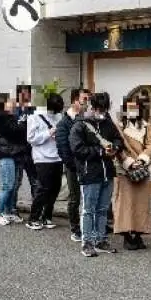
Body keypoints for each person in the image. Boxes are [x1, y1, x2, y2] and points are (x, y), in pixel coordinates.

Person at [69, 92, 121, 257]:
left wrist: (114, 147)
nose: (102, 112)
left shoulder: (107, 122)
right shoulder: (80, 125)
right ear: (92, 107)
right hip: (89, 172)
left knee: (103, 208)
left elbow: (118, 139)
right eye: (99, 108)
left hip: (107, 172)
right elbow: (77, 149)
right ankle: (87, 242)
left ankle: (101, 239)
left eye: (104, 109)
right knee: (88, 209)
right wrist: (100, 151)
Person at [113, 98, 151, 250]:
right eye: (129, 107)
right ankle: (126, 236)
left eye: (135, 108)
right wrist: (129, 162)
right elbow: (118, 147)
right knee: (125, 203)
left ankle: (138, 234)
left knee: (142, 204)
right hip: (125, 170)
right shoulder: (119, 126)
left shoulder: (146, 125)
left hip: (142, 170)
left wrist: (142, 159)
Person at [26, 94, 65, 231]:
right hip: (42, 158)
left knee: (55, 189)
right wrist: (48, 133)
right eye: (54, 110)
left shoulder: (59, 117)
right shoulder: (34, 117)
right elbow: (31, 139)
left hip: (57, 157)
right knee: (43, 189)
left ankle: (47, 216)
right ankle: (33, 218)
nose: (55, 113)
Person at [56, 88, 90, 242]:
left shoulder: (87, 118)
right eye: (84, 99)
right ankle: (75, 228)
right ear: (75, 101)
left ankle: (89, 227)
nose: (86, 103)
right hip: (73, 165)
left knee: (88, 197)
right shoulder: (64, 122)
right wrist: (72, 164)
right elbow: (62, 146)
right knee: (75, 197)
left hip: (88, 164)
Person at [0, 97, 29, 226]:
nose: (13, 104)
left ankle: (8, 212)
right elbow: (14, 132)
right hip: (5, 155)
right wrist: (23, 124)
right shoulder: (2, 118)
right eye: (9, 102)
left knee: (11, 186)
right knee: (7, 186)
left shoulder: (9, 117)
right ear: (3, 105)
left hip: (11, 154)